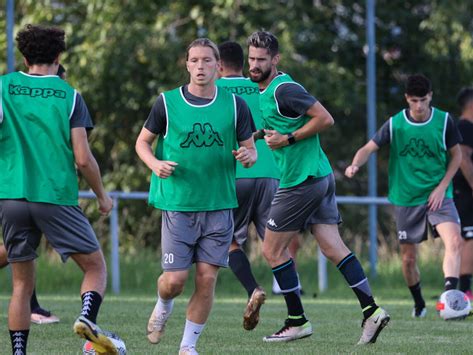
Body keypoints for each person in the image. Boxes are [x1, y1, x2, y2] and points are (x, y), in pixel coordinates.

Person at [247, 30, 389, 344]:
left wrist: (288, 140)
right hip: (319, 176)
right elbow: (281, 125)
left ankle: (297, 320)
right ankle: (372, 310)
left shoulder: (285, 89)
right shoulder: (268, 90)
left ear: (276, 59)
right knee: (332, 247)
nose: (255, 64)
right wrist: (257, 140)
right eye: (252, 58)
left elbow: (325, 118)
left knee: (272, 250)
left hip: (302, 182)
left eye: (261, 59)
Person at [0, 24, 117, 354]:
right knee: (95, 267)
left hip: (10, 195)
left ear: (24, 57)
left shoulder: (2, 87)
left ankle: (19, 352)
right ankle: (86, 319)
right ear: (59, 56)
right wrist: (102, 196)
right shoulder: (69, 95)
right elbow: (83, 158)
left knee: (22, 284)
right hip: (54, 195)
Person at [136, 38, 257, 355]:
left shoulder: (235, 105)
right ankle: (163, 303)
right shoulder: (167, 103)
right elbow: (142, 144)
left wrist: (247, 157)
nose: (200, 66)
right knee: (174, 281)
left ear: (218, 66)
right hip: (178, 203)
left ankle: (188, 346)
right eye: (194, 60)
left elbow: (251, 150)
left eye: (207, 61)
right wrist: (155, 164)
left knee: (206, 279)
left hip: (219, 205)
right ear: (186, 64)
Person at [346, 74, 463, 317]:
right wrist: (356, 164)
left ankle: (449, 300)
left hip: (439, 195)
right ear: (406, 99)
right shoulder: (395, 123)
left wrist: (442, 187)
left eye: (423, 100)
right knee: (409, 260)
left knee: (454, 242)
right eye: (413, 100)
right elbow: (368, 148)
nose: (419, 106)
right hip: (406, 198)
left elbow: (457, 157)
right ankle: (419, 302)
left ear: (430, 96)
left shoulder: (444, 121)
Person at [216, 41, 305, 331]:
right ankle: (296, 310)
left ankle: (253, 289)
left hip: (236, 172)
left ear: (218, 65)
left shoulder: (215, 92)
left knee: (229, 241)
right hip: (272, 174)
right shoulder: (262, 84)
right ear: (245, 63)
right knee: (277, 246)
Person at [0, 64, 68, 326]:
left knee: (21, 245)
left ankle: (33, 306)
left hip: (26, 188)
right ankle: (32, 307)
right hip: (17, 187)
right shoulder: (18, 98)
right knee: (22, 246)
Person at [453, 87, 473, 300]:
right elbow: (464, 158)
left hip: (463, 190)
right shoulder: (465, 128)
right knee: (470, 236)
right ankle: (465, 290)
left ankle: (461, 289)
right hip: (463, 190)